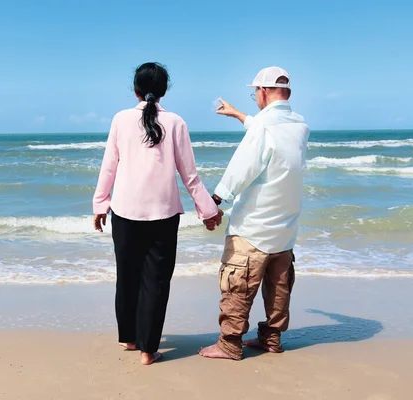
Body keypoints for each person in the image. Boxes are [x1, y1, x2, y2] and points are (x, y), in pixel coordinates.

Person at [93, 62, 223, 365]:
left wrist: (100, 204)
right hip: (164, 216)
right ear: (163, 91)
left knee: (127, 277)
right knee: (156, 281)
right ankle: (148, 350)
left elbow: (109, 165)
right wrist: (208, 210)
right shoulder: (176, 121)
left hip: (124, 212)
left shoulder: (120, 119)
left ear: (135, 90)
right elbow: (189, 175)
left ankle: (129, 338)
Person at [199, 66, 310, 360]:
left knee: (238, 284)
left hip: (253, 228)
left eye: (254, 94)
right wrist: (240, 116)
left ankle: (229, 344)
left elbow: (241, 168)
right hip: (285, 230)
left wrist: (215, 201)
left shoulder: (263, 127)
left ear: (262, 91)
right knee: (278, 289)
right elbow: (270, 135)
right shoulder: (299, 126)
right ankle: (271, 339)